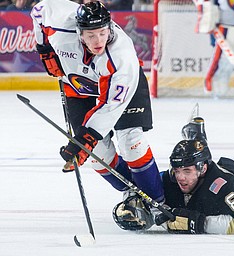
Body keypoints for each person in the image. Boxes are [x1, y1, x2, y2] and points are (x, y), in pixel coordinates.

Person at [30, 0, 164, 205]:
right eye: (91, 35)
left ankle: (158, 201)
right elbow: (38, 11)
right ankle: (131, 192)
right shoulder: (60, 22)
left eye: (102, 33)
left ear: (109, 27)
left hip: (120, 90)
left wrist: (86, 138)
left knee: (131, 142)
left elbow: (111, 105)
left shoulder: (121, 55)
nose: (98, 40)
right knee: (97, 153)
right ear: (79, 32)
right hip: (79, 88)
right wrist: (44, 48)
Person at [113, 117, 234, 234]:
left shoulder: (222, 184)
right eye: (178, 170)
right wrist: (130, 203)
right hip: (226, 183)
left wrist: (196, 223)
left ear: (202, 169)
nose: (180, 177)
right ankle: (195, 136)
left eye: (187, 171)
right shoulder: (170, 178)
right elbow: (139, 186)